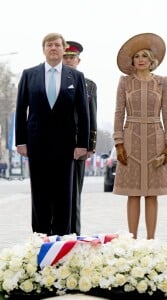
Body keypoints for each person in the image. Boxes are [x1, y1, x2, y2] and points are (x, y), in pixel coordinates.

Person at [15, 33, 90, 236]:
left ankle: (62, 244)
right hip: (36, 144)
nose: (53, 48)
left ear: (63, 48)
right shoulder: (29, 75)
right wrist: (20, 141)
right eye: (50, 45)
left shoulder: (75, 77)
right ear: (44, 49)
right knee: (39, 196)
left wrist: (82, 143)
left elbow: (83, 112)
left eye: (57, 45)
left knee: (63, 198)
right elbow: (21, 109)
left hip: (66, 147)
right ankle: (40, 243)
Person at [113, 33, 167, 239]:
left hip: (156, 138)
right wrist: (119, 143)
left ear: (152, 60)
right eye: (137, 56)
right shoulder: (124, 82)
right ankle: (131, 239)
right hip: (131, 139)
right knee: (132, 192)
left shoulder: (162, 83)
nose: (140, 59)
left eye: (144, 56)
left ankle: (151, 239)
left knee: (151, 193)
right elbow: (119, 113)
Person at [63, 41, 97, 235]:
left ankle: (74, 235)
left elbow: (92, 115)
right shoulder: (49, 80)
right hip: (54, 143)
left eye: (72, 57)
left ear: (78, 60)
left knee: (75, 194)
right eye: (65, 57)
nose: (68, 60)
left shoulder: (89, 85)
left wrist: (89, 145)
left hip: (77, 144)